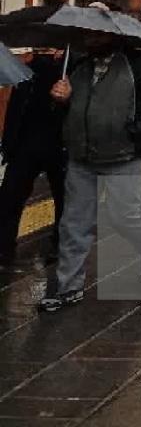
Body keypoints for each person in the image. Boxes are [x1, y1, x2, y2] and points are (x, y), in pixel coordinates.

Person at [40, 31, 141, 312]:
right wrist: (61, 100)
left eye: (97, 37)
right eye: (88, 37)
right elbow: (66, 111)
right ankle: (68, 286)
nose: (91, 41)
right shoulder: (78, 66)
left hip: (125, 155)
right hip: (82, 155)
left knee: (123, 214)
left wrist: (136, 132)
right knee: (74, 222)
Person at [0, 46, 67, 267]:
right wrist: (9, 143)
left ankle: (61, 246)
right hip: (25, 144)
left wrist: (67, 97)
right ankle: (4, 247)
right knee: (9, 196)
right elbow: (16, 107)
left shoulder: (73, 67)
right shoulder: (27, 69)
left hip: (62, 145)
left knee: (65, 200)